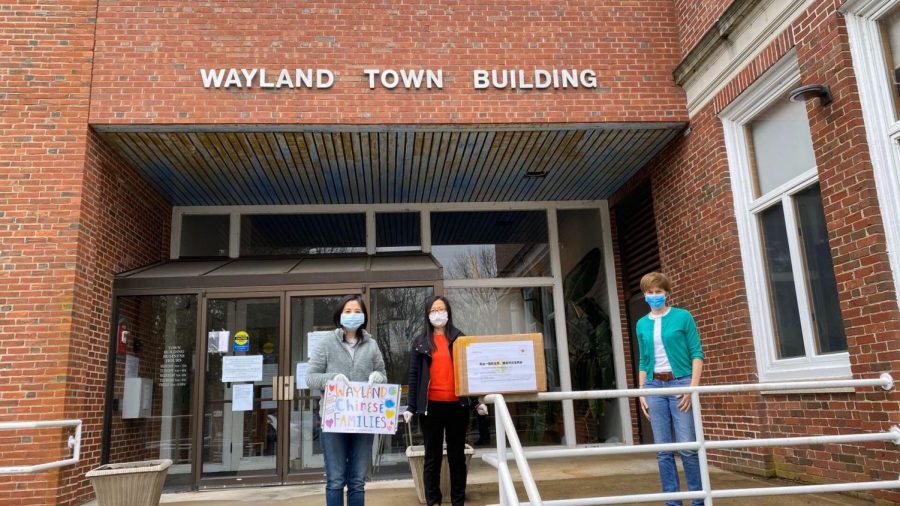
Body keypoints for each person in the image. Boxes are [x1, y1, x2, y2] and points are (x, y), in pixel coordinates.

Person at [403, 296, 488, 506]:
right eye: (433, 310)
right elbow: (414, 376)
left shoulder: (460, 339)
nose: (438, 313)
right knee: (432, 458)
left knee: (457, 457)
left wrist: (476, 402)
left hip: (457, 406)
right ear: (427, 314)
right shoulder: (420, 343)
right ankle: (434, 501)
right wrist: (411, 407)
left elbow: (470, 372)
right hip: (430, 408)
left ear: (448, 312)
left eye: (441, 309)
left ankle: (458, 501)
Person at [307, 295, 387, 506]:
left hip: (363, 421)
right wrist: (331, 380)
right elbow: (310, 378)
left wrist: (378, 378)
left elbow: (382, 375)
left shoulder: (371, 345)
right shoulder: (326, 343)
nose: (352, 315)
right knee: (335, 480)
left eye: (357, 311)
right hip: (334, 421)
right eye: (348, 311)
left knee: (357, 481)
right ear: (339, 315)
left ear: (364, 316)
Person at [637, 272, 704, 506]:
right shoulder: (641, 324)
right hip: (654, 386)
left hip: (681, 383)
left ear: (667, 293)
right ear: (645, 295)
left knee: (687, 447)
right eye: (650, 292)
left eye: (658, 292)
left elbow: (697, 354)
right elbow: (644, 361)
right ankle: (673, 502)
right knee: (663, 450)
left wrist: (691, 389)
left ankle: (698, 500)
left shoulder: (683, 317)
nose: (654, 296)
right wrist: (641, 391)